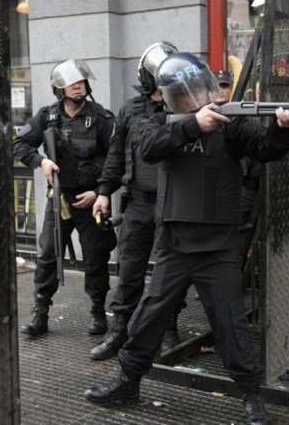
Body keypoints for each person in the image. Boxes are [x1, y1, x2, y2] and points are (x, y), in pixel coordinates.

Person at [83, 52, 289, 425]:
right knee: (150, 315)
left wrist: (284, 129)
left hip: (218, 247)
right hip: (175, 244)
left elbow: (266, 149)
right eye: (185, 95)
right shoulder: (157, 123)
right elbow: (148, 148)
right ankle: (128, 381)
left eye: (198, 91)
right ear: (171, 98)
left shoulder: (230, 124)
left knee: (231, 323)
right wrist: (191, 125)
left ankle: (251, 395)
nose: (195, 99)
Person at [90, 41, 187, 361]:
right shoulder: (130, 109)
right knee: (129, 268)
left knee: (170, 270)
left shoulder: (186, 106)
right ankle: (119, 329)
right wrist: (104, 192)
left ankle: (168, 327)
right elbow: (116, 155)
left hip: (174, 202)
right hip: (138, 204)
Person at [14, 59, 117, 337]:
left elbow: (118, 160)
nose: (77, 87)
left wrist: (100, 192)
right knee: (47, 254)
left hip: (92, 201)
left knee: (95, 257)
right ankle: (41, 312)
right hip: (59, 198)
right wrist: (40, 162)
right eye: (72, 83)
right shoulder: (47, 117)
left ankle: (98, 311)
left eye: (81, 82)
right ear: (59, 89)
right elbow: (20, 144)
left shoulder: (102, 119)